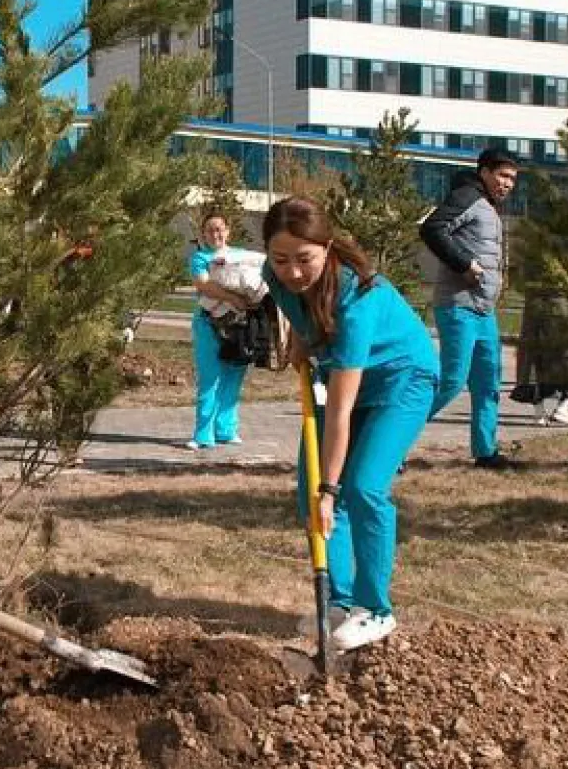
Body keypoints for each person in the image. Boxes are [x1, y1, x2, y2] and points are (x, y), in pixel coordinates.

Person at [263, 197, 438, 651]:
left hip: (402, 378)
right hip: (341, 373)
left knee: (360, 488)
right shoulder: (274, 275)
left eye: (305, 259)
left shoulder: (358, 297)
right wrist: (301, 340)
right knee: (309, 491)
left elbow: (340, 411)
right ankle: (337, 604)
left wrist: (331, 490)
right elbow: (297, 307)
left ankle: (375, 610)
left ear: (328, 247)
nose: (293, 272)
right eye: (281, 259)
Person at [421, 148, 519, 470]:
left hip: (483, 311)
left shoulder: (488, 206)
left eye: (513, 179)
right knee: (451, 380)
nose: (508, 184)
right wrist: (464, 264)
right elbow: (431, 229)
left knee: (488, 381)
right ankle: (389, 441)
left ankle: (485, 452)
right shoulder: (467, 196)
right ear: (485, 173)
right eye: (502, 176)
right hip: (459, 307)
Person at [186, 213, 259, 450]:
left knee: (234, 376)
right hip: (209, 325)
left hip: (239, 326)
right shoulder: (200, 258)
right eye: (210, 230)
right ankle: (203, 434)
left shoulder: (241, 257)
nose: (215, 234)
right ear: (204, 234)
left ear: (228, 231)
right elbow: (203, 284)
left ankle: (226, 429)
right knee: (210, 378)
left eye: (220, 229)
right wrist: (232, 298)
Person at [513, 294, 568, 426]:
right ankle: (563, 407)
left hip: (534, 297)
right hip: (560, 296)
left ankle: (539, 412)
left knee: (533, 351)